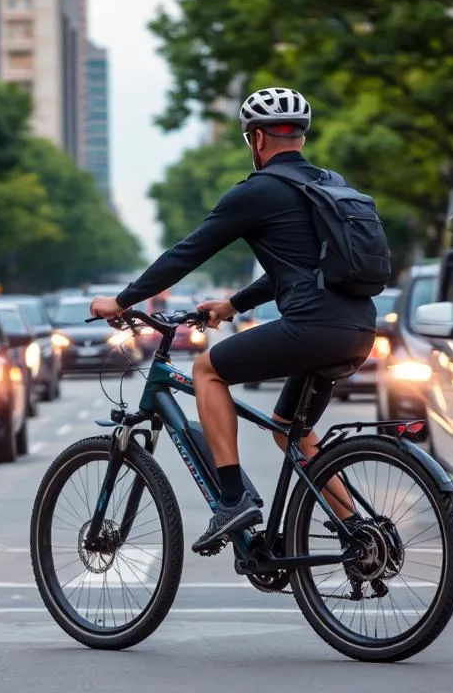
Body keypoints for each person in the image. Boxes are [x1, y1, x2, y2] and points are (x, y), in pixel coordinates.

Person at [89, 87, 377, 554]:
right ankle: (361, 536)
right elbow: (302, 270)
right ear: (300, 138)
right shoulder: (328, 185)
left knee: (207, 369)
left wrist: (122, 300)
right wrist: (233, 305)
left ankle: (231, 497)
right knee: (290, 429)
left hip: (311, 329)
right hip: (359, 330)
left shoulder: (257, 191)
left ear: (257, 139)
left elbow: (187, 252)